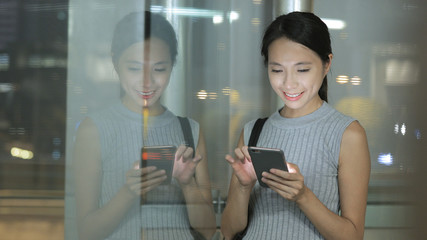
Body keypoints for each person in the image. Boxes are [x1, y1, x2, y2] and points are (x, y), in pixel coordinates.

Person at [221, 12, 370, 240]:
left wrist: (303, 197)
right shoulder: (253, 131)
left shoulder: (348, 134)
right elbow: (229, 232)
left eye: (302, 70)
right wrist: (243, 187)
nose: (288, 83)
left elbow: (352, 236)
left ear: (327, 63)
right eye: (277, 70)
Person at [73, 11, 216, 240]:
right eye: (134, 68)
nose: (147, 81)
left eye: (159, 69)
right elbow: (87, 232)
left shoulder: (190, 130)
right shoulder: (94, 130)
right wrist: (129, 193)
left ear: (172, 65)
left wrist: (187, 184)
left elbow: (208, 231)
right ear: (115, 62)